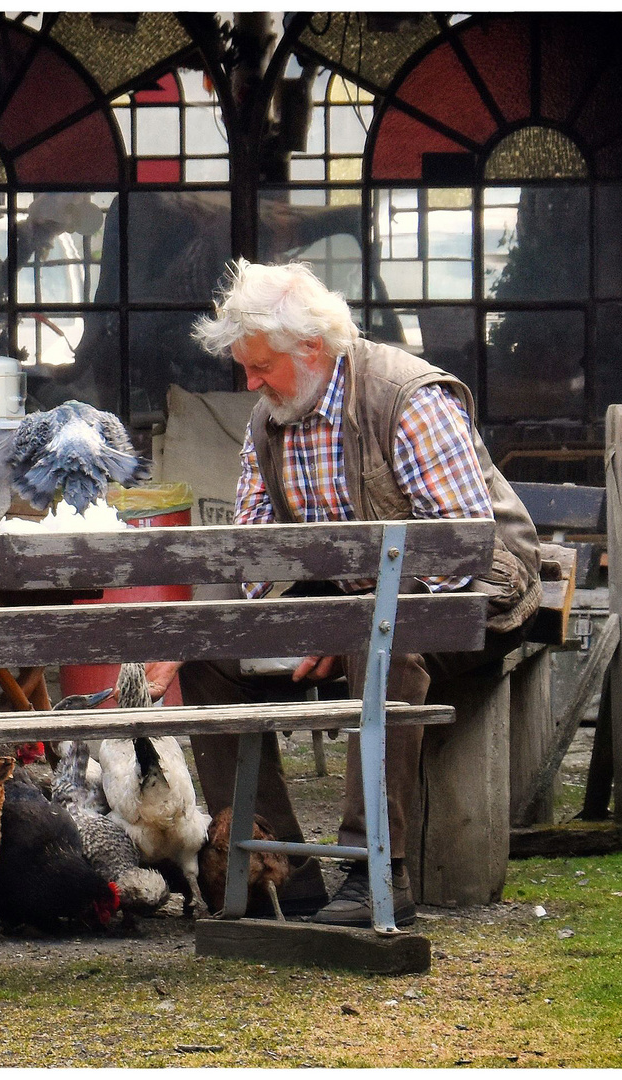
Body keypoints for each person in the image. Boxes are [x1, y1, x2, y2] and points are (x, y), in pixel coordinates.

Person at [143, 259, 541, 927]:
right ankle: (279, 873)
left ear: (312, 347)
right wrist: (300, 615)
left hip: (474, 591)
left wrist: (345, 623)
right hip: (352, 596)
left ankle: (376, 873)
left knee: (379, 639)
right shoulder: (269, 418)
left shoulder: (408, 396)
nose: (251, 382)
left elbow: (457, 548)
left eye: (261, 365)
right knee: (212, 655)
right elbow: (257, 554)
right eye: (245, 367)